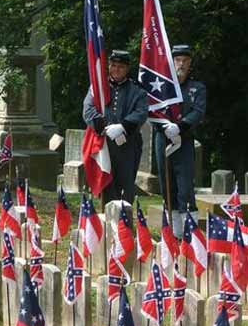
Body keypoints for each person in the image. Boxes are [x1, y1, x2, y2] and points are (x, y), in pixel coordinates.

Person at [83, 50, 148, 204]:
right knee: (107, 186)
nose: (116, 69)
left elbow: (141, 112)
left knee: (126, 188)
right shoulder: (98, 87)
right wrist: (105, 127)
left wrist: (123, 126)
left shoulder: (137, 90)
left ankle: (124, 224)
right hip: (104, 144)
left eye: (121, 66)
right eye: (113, 65)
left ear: (127, 69)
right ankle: (107, 223)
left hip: (128, 145)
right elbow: (88, 109)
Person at [154, 44, 206, 238]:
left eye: (185, 60)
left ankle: (189, 235)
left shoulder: (197, 88)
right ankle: (172, 234)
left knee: (185, 186)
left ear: (190, 63)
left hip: (184, 141)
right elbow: (153, 110)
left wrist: (181, 126)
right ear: (172, 62)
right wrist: (164, 127)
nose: (181, 64)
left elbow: (198, 112)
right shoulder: (161, 87)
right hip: (163, 139)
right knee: (167, 185)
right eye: (178, 60)